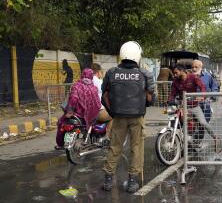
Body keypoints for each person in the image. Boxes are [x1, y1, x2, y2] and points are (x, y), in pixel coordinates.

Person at [101, 41, 154, 193]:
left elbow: (104, 96)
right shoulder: (145, 74)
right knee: (136, 148)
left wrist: (113, 113)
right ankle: (132, 182)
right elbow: (150, 98)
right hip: (137, 117)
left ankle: (108, 181)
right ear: (137, 55)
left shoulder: (111, 72)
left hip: (118, 117)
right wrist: (144, 106)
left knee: (114, 146)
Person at [54, 68, 101, 150]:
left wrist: (69, 112)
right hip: (90, 116)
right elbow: (97, 103)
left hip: (78, 114)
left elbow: (73, 99)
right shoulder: (94, 88)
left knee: (61, 122)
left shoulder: (76, 86)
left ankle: (60, 144)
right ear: (91, 76)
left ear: (82, 75)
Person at [168, 64, 216, 139]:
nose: (174, 75)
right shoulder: (175, 81)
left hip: (194, 106)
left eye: (176, 73)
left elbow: (202, 87)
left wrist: (201, 96)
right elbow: (172, 93)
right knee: (180, 123)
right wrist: (170, 100)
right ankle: (185, 141)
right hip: (182, 107)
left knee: (203, 123)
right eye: (174, 73)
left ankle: (215, 138)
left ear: (181, 71)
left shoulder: (193, 77)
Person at [91, 63, 113, 136]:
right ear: (98, 72)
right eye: (101, 72)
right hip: (98, 111)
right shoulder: (99, 82)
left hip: (87, 111)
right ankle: (107, 136)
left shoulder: (87, 80)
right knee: (114, 116)